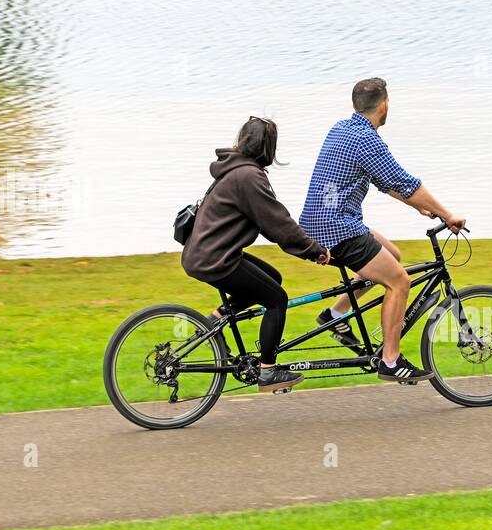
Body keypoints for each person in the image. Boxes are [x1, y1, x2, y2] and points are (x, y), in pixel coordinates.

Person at [298, 78, 466, 383]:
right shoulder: (368, 140)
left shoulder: (340, 128)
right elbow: (404, 181)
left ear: (355, 105)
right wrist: (447, 214)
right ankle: (390, 360)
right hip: (338, 229)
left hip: (317, 222)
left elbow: (384, 179)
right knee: (400, 281)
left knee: (392, 254)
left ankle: (336, 316)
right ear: (384, 105)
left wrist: (416, 206)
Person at [180, 116, 331, 392]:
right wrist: (314, 251)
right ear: (268, 148)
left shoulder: (234, 170)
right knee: (276, 299)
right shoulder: (248, 176)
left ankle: (212, 320)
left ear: (243, 140)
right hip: (215, 258)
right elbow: (277, 224)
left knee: (272, 277)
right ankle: (268, 372)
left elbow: (269, 221)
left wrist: (303, 244)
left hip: (207, 253)